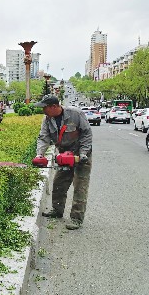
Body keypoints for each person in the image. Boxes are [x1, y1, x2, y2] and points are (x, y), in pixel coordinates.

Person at [34, 95, 93, 230]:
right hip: (63, 153)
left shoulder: (76, 114)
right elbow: (44, 137)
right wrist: (39, 154)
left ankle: (76, 218)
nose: (43, 111)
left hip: (80, 153)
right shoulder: (47, 119)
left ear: (54, 107)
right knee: (59, 182)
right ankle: (57, 210)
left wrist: (83, 153)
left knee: (80, 187)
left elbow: (86, 134)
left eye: (45, 108)